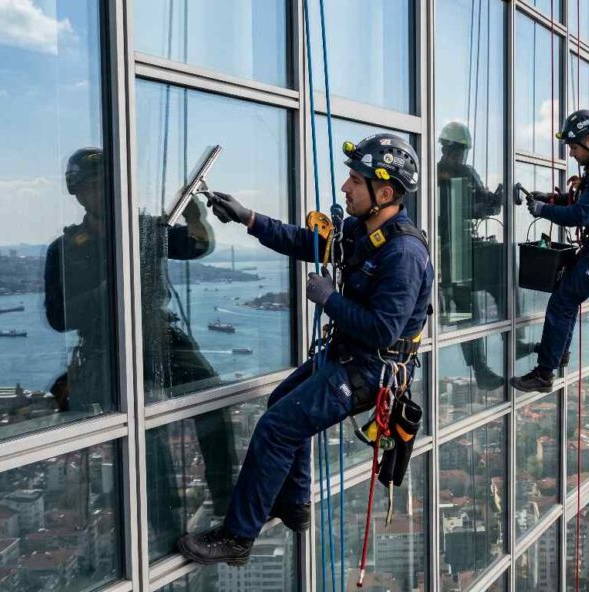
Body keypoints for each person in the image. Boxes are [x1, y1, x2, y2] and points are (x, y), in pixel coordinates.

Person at [177, 133, 434, 566]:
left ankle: (238, 537)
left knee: (276, 428)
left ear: (385, 193)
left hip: (370, 371)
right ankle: (294, 502)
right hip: (349, 357)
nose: (345, 188)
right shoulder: (363, 231)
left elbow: (383, 330)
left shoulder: (403, 253)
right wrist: (248, 218)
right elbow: (306, 241)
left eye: (356, 181)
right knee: (280, 404)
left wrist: (330, 299)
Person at [46, 148, 238, 550]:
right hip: (107, 345)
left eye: (107, 184)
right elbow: (59, 317)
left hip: (159, 334)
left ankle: (225, 500)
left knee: (212, 398)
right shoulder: (65, 249)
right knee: (147, 433)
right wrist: (109, 290)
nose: (103, 192)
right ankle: (167, 530)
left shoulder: (145, 230)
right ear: (77, 193)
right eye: (93, 185)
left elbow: (197, 246)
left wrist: (194, 215)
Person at [510, 110, 589, 392]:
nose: (571, 153)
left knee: (562, 301)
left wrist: (543, 210)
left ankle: (544, 373)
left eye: (574, 147)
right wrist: (551, 199)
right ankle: (557, 355)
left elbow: (581, 214)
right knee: (565, 299)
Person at [437, 121, 507, 388]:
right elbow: (449, 213)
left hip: (459, 250)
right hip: (452, 252)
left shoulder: (459, 173)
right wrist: (483, 205)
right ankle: (482, 368)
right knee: (468, 312)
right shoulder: (444, 175)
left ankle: (508, 344)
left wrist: (495, 200)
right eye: (456, 151)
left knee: (492, 291)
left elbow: (487, 206)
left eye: (459, 151)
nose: (458, 156)